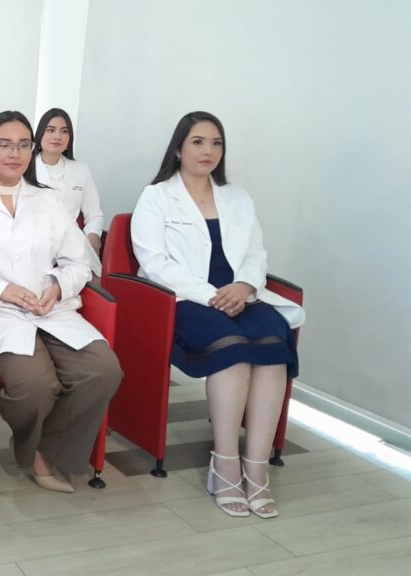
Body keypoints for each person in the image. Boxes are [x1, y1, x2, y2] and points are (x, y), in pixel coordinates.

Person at [0, 110, 123, 494]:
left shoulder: (47, 200)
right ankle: (35, 450)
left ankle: (44, 449)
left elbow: (78, 261)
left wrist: (58, 287)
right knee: (33, 385)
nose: (14, 153)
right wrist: (0, 290)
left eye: (22, 145)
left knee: (103, 371)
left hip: (51, 308)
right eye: (4, 144)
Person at [131, 111, 304, 519]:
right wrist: (213, 295)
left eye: (216, 143)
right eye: (197, 142)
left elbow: (256, 254)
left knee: (273, 347)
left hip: (242, 295)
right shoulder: (156, 196)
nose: (207, 150)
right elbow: (154, 263)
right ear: (178, 149)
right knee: (233, 350)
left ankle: (256, 468)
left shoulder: (237, 197)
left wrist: (244, 286)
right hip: (187, 298)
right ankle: (224, 464)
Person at [34, 107, 104, 275]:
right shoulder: (25, 168)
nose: (57, 136)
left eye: (64, 131)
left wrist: (92, 236)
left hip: (72, 245)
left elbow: (94, 215)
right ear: (40, 134)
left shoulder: (80, 170)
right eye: (50, 130)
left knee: (89, 282)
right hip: (35, 244)